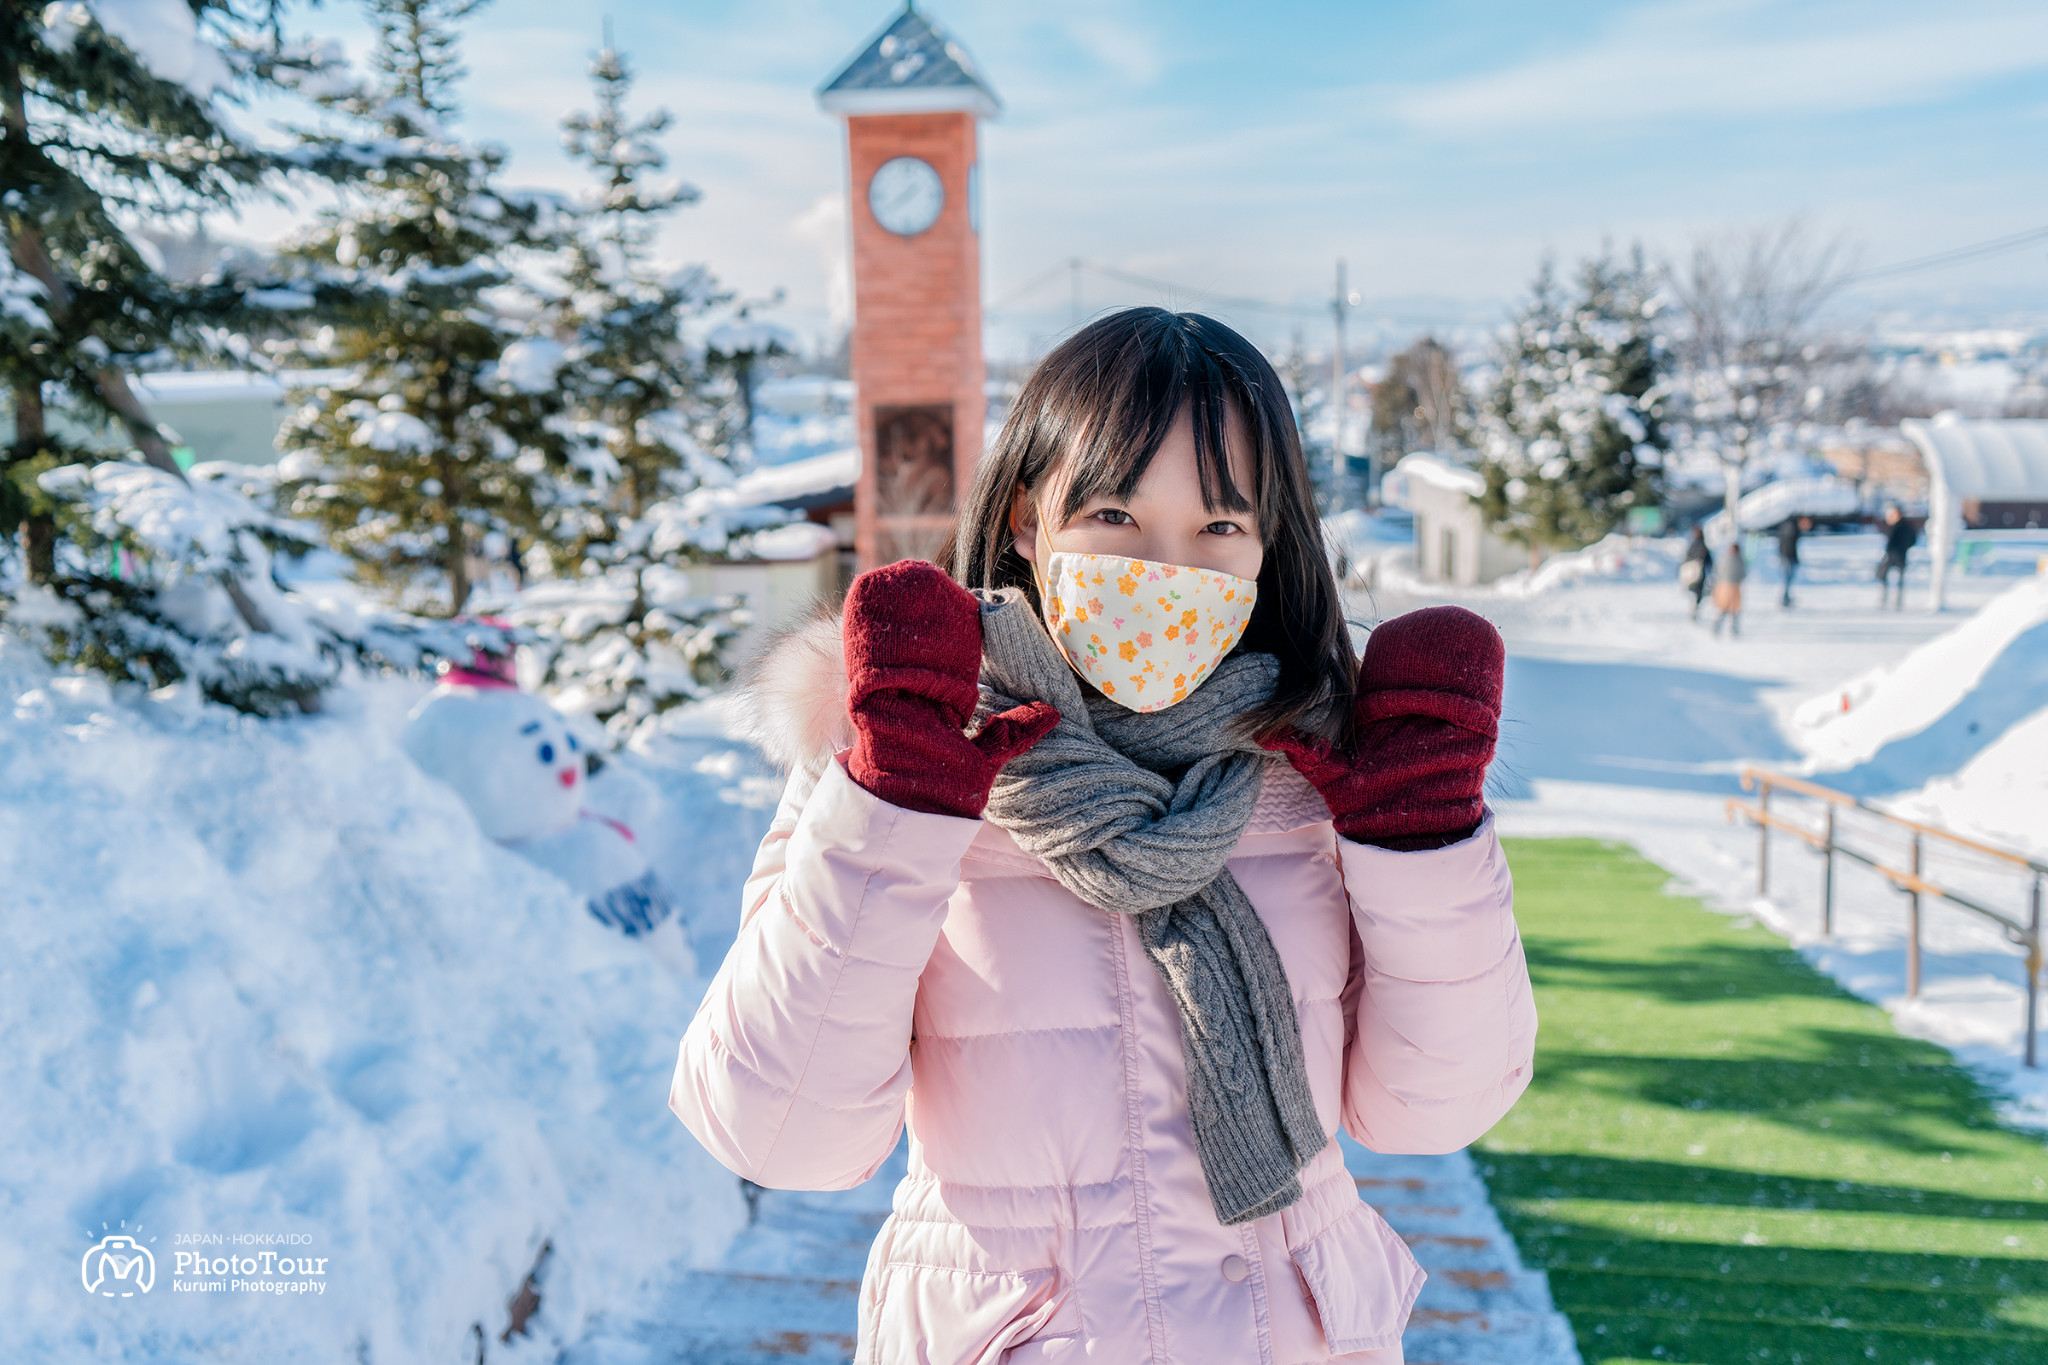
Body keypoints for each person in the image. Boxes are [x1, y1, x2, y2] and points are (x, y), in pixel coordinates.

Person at [670, 309, 1536, 1364]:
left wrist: (1422, 844)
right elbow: (779, 1133)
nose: (1164, 570)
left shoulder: (1319, 774)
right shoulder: (906, 746)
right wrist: (898, 810)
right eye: (1116, 514)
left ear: (1270, 544)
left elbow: (1432, 1109)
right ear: (1030, 520)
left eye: (1219, 526)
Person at [1879, 506, 1916, 609]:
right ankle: (1896, 601)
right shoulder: (1907, 526)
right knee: (1897, 579)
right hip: (1901, 555)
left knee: (1885, 577)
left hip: (1893, 555)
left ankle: (1887, 600)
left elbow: (1890, 542)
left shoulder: (1897, 526)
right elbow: (1913, 539)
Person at [1712, 539, 1747, 636]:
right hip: (1734, 587)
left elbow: (1717, 571)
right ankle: (1734, 630)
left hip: (1723, 587)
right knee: (1734, 610)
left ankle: (1717, 627)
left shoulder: (1723, 559)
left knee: (1723, 609)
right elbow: (1743, 574)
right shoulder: (1740, 561)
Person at [1777, 515, 1810, 608]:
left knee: (1788, 579)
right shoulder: (1792, 529)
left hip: (1788, 556)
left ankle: (1786, 598)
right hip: (1788, 557)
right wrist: (1790, 557)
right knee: (1787, 579)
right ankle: (1785, 599)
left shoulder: (1792, 528)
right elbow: (1788, 545)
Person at [1681, 524, 1713, 621]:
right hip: (1698, 572)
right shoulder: (1701, 544)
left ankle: (1694, 609)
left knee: (1695, 590)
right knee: (1697, 591)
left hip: (1694, 572)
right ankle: (1695, 608)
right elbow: (1709, 560)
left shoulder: (1695, 544)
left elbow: (1688, 557)